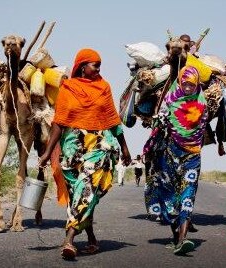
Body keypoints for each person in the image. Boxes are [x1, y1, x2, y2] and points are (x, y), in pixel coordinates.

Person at [38, 48, 132, 260]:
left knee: (86, 186)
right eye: (94, 65)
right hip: (72, 146)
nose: (99, 68)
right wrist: (47, 152)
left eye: (100, 65)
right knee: (78, 193)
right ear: (82, 66)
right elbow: (59, 123)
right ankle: (91, 238)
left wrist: (124, 147)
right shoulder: (68, 88)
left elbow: (112, 119)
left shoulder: (104, 87)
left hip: (99, 144)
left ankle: (69, 238)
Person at [143, 65, 208, 255]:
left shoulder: (202, 104)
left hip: (193, 155)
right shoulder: (169, 101)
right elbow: (159, 123)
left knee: (188, 194)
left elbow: (201, 131)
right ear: (179, 82)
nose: (188, 87)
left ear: (197, 85)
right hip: (170, 153)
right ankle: (175, 235)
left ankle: (183, 239)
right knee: (169, 195)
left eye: (191, 84)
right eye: (185, 83)